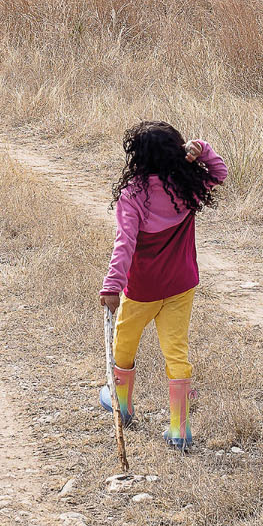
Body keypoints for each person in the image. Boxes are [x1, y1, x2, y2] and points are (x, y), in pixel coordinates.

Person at [99, 121, 228, 451]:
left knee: (124, 343)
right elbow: (220, 171)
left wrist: (113, 286)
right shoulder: (187, 186)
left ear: (137, 158)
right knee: (176, 350)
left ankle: (122, 405)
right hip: (181, 286)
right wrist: (202, 149)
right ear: (176, 152)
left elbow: (124, 243)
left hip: (142, 290)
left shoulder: (133, 197)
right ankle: (178, 430)